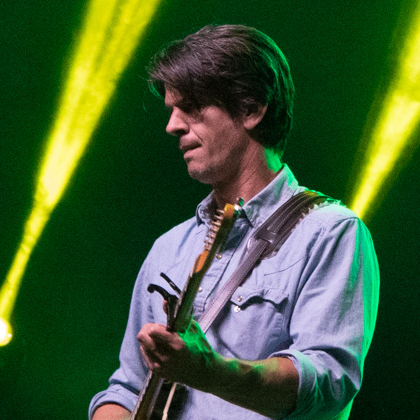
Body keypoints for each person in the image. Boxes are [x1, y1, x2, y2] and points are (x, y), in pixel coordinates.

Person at [89, 24, 379, 420]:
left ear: (251, 109)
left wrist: (209, 372)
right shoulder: (168, 248)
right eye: (171, 110)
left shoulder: (331, 232)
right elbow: (128, 388)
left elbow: (327, 383)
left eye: (190, 106)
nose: (172, 125)